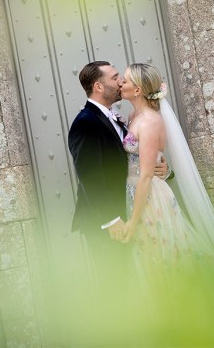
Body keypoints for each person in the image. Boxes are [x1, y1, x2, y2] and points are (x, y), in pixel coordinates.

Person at [119, 64, 214, 342]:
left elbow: (144, 176)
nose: (120, 83)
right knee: (151, 260)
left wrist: (133, 219)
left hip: (151, 198)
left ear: (138, 89)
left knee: (167, 257)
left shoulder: (150, 121)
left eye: (125, 80)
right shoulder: (133, 115)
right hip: (137, 194)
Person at [67, 61, 170, 299]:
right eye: (115, 78)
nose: (120, 81)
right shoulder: (85, 123)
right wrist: (111, 220)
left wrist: (162, 168)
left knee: (134, 283)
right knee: (115, 286)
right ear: (98, 87)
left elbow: (135, 161)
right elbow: (89, 176)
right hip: (105, 222)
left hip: (127, 213)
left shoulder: (120, 117)